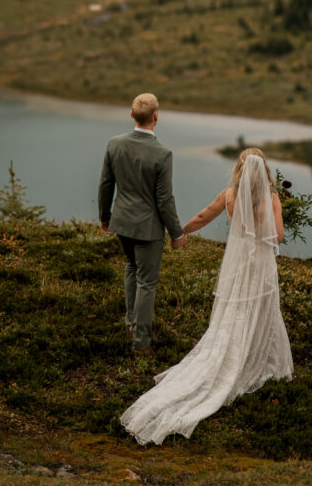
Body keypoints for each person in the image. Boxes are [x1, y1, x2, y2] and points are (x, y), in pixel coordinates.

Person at [119, 147, 293, 444]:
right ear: (264, 171)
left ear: (239, 170)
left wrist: (180, 233)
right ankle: (257, 359)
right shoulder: (272, 198)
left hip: (237, 268)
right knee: (263, 310)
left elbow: (202, 216)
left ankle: (231, 355)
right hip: (261, 266)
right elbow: (277, 236)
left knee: (233, 313)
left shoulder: (228, 196)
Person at [98, 92, 188, 355]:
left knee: (130, 268)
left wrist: (105, 217)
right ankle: (141, 343)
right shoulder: (162, 154)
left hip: (122, 223)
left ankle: (131, 322)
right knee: (147, 282)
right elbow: (165, 200)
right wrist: (177, 233)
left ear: (132, 115)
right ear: (156, 117)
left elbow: (106, 184)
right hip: (148, 229)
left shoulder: (115, 144)